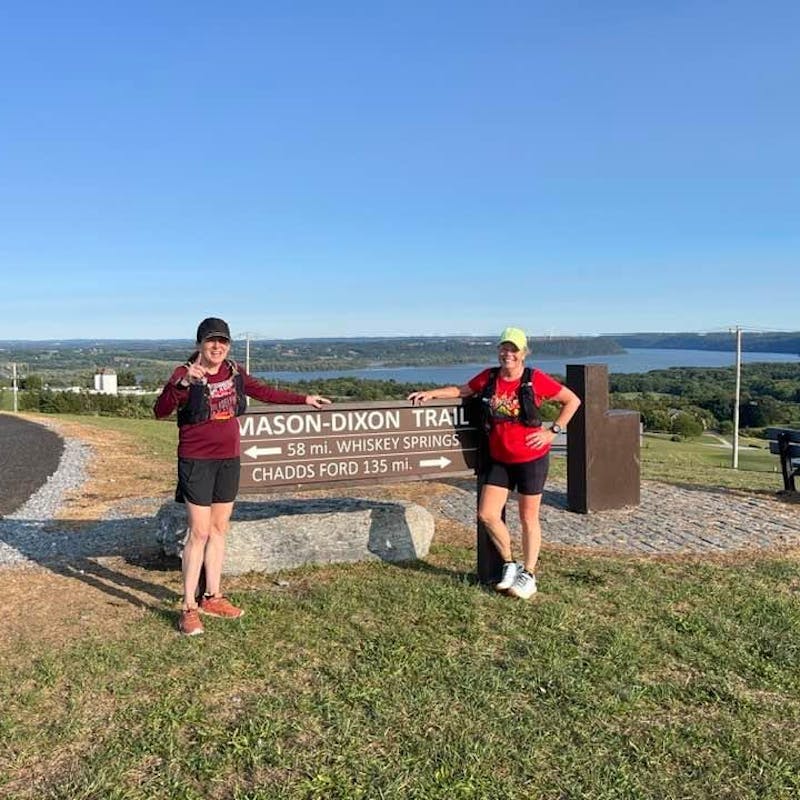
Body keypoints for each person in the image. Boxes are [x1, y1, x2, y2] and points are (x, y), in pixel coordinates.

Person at [154, 317, 331, 635]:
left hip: (228, 459)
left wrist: (304, 399)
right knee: (199, 533)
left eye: (222, 341)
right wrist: (182, 385)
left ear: (229, 345)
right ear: (199, 344)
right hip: (196, 461)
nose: (217, 347)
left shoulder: (234, 371)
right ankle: (188, 607)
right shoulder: (184, 373)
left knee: (219, 529)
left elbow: (265, 392)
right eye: (211, 341)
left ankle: (212, 596)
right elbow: (160, 410)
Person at [408, 327, 580, 599]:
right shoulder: (489, 377)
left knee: (528, 518)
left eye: (514, 349)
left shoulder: (534, 379)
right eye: (504, 348)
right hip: (499, 459)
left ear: (524, 353)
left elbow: (572, 400)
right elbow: (463, 390)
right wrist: (432, 393)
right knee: (487, 514)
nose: (508, 354)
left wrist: (553, 432)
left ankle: (529, 575)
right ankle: (510, 564)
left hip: (531, 459)